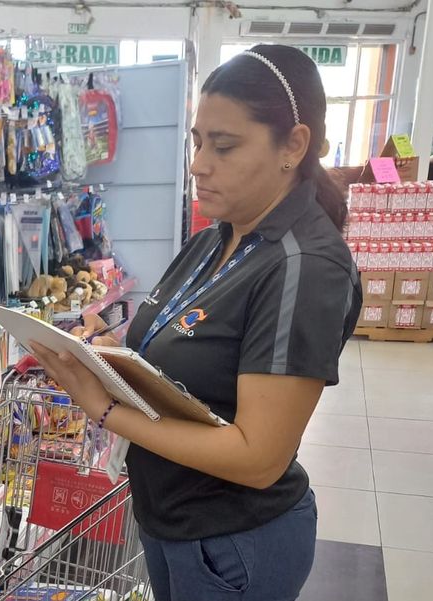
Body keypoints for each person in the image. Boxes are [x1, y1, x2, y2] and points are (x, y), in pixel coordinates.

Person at [30, 44, 363, 601]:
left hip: (233, 542)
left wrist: (105, 409)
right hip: (169, 521)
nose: (198, 164)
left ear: (293, 146)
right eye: (198, 141)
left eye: (224, 146)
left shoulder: (303, 266)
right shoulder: (214, 240)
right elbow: (191, 353)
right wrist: (106, 350)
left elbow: (259, 458)